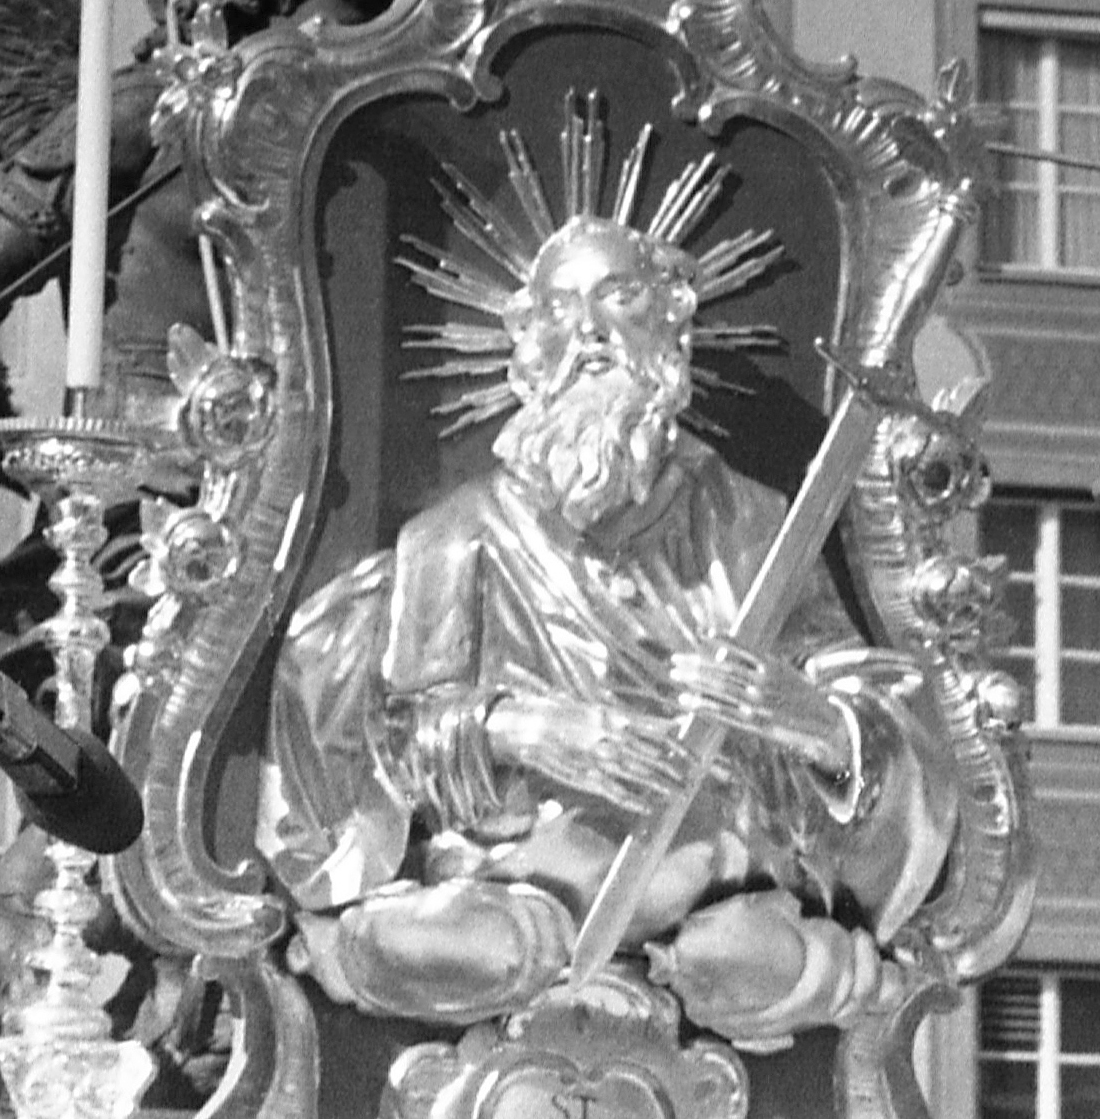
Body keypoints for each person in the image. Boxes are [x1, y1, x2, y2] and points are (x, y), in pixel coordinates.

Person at [258, 140, 956, 1047]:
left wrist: (808, 717)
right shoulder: (456, 533)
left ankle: (721, 961)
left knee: (739, 957)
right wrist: (523, 726)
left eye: (618, 297)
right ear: (524, 348)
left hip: (710, 882)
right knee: (436, 939)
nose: (587, 331)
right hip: (512, 892)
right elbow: (401, 736)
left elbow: (871, 709)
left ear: (674, 329)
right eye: (558, 309)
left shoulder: (750, 521)